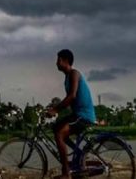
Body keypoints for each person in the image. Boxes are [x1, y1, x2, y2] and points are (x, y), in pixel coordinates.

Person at [46, 49, 96, 179]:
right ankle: (79, 156)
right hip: (77, 114)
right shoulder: (67, 78)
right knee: (56, 127)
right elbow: (69, 100)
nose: (56, 63)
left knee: (59, 133)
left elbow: (72, 96)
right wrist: (54, 109)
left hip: (83, 116)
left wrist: (56, 110)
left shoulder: (74, 74)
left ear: (65, 61)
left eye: (58, 60)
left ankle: (66, 172)